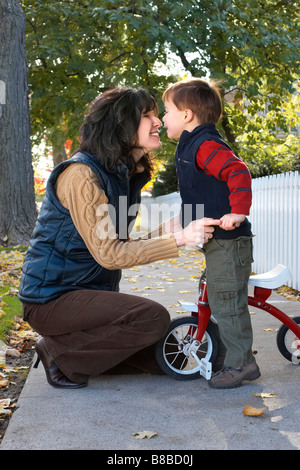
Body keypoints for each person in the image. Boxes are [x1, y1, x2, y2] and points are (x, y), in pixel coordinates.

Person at [18, 86, 219, 389]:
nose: (158, 122)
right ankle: (58, 352)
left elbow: (117, 243)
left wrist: (170, 231)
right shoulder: (81, 176)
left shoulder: (122, 175)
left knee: (162, 360)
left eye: (155, 114)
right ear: (121, 125)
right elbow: (109, 254)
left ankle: (77, 348)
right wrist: (178, 240)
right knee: (152, 318)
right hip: (52, 299)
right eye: (147, 115)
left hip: (89, 293)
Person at [162, 78, 261, 389]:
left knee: (227, 303)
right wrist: (181, 221)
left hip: (229, 241)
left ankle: (241, 363)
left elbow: (237, 171)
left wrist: (238, 211)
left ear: (187, 115)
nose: (163, 118)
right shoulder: (191, 147)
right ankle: (228, 354)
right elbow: (199, 194)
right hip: (217, 242)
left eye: (166, 111)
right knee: (218, 298)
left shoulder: (206, 145)